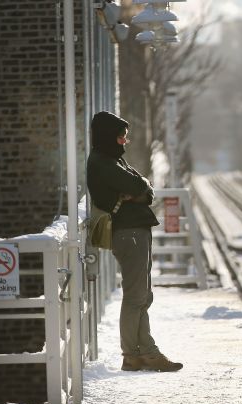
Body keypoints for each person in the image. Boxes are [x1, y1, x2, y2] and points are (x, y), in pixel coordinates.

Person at [87, 111, 183, 373]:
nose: (124, 142)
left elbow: (144, 188)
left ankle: (144, 353)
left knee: (142, 295)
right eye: (121, 137)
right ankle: (135, 354)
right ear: (109, 136)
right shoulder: (103, 163)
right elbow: (138, 186)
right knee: (135, 296)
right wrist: (138, 190)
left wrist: (139, 190)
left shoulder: (111, 159)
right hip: (128, 233)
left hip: (134, 231)